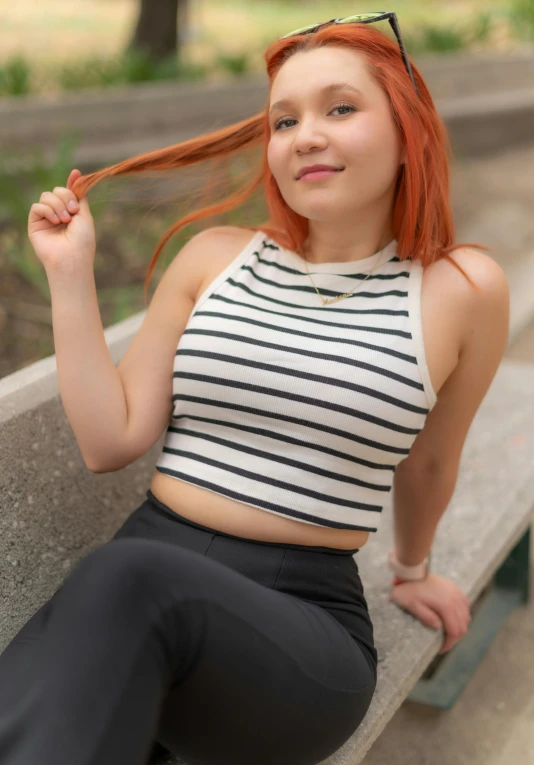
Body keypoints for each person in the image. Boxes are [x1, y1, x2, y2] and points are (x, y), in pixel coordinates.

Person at [2, 13, 509, 765]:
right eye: (283, 119)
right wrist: (70, 272)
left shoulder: (457, 289)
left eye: (340, 108)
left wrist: (413, 571)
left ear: (410, 131)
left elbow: (432, 460)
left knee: (124, 583)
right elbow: (111, 440)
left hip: (296, 631)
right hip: (136, 587)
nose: (304, 134)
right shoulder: (216, 259)